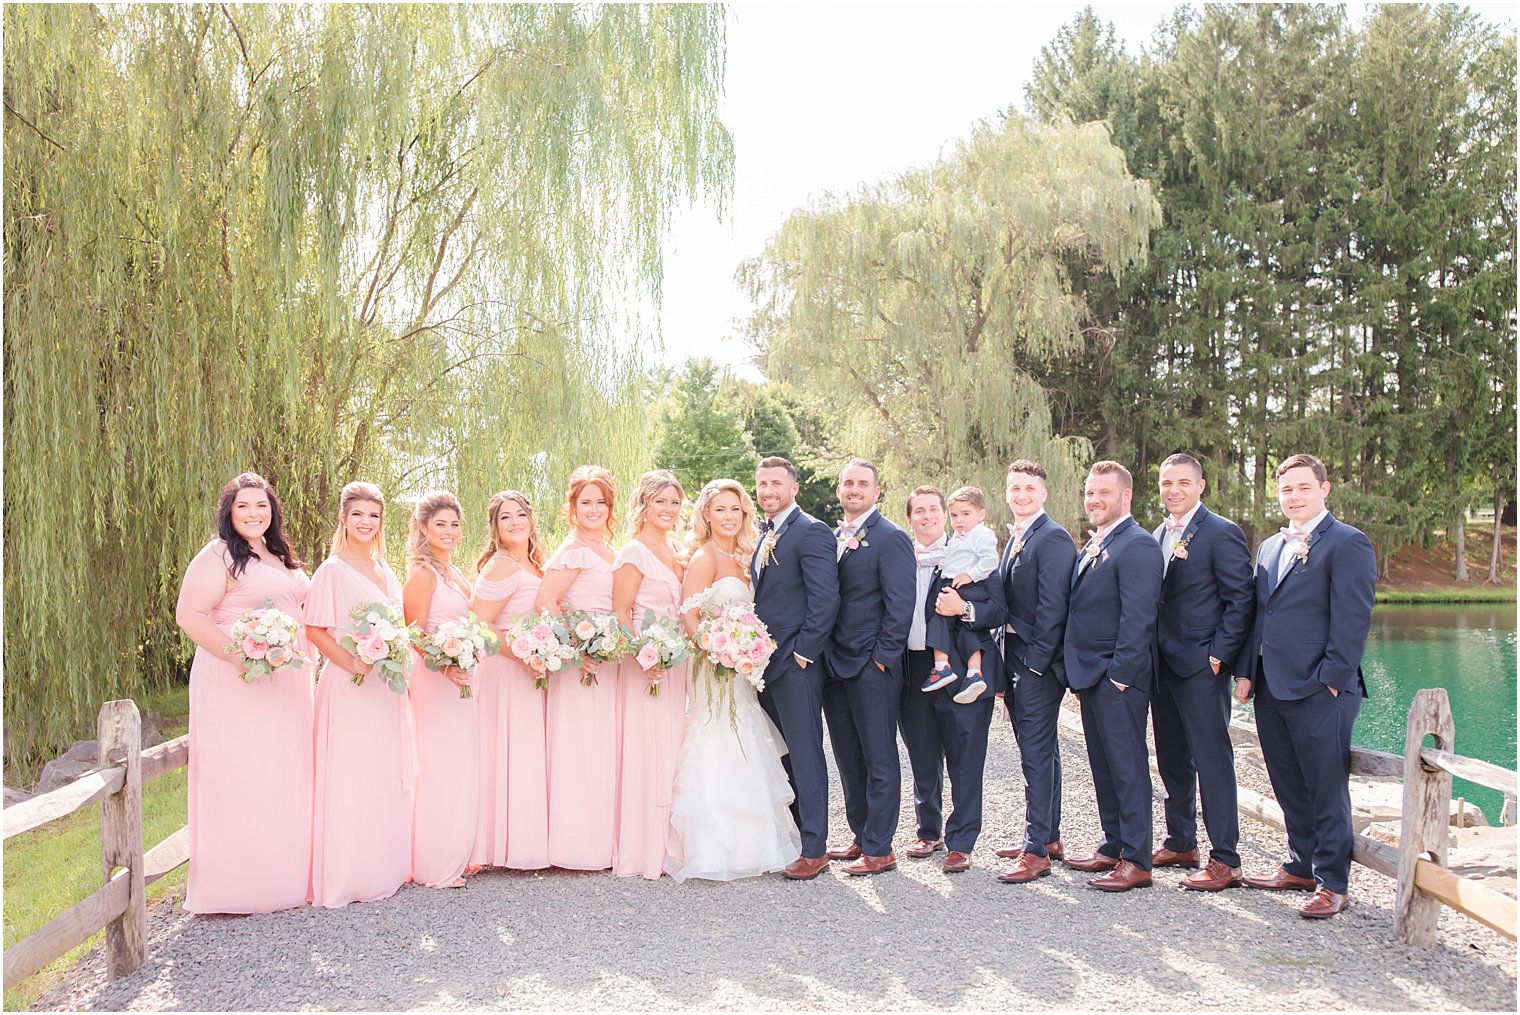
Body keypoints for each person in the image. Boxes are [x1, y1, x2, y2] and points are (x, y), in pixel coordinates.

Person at [1236, 453, 1376, 919]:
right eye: (1286, 490)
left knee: (1324, 785)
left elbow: (1353, 619)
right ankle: (1301, 863)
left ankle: (1333, 881)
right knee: (1287, 781)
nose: (1293, 497)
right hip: (1272, 686)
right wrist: (1247, 673)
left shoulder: (1347, 543)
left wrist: (1331, 682)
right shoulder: (1270, 547)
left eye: (1302, 488)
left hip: (1321, 690)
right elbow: (1261, 616)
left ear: (1324, 489)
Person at [175, 471, 312, 914]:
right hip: (236, 679)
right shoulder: (218, 555)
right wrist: (240, 655)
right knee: (241, 772)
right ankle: (235, 887)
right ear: (229, 512)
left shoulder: (277, 554)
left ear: (273, 511)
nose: (254, 513)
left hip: (286, 681)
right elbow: (190, 616)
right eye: (243, 506)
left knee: (282, 771)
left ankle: (283, 879)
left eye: (261, 505)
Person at [665, 479, 801, 880]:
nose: (728, 517)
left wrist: (744, 650)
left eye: (735, 510)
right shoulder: (704, 557)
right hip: (713, 665)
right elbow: (688, 614)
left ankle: (755, 843)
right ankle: (712, 847)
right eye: (720, 509)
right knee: (717, 734)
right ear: (706, 514)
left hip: (741, 668)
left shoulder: (746, 555)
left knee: (747, 735)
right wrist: (715, 649)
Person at [306, 482, 415, 908]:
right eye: (358, 515)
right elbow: (313, 628)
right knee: (350, 771)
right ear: (343, 519)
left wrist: (394, 651)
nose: (366, 523)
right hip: (349, 684)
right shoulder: (332, 570)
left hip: (383, 686)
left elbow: (400, 626)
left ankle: (382, 867)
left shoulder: (385, 568)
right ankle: (347, 875)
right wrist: (350, 661)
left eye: (373, 515)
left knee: (381, 769)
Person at [1149, 453, 1254, 891]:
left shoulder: (1220, 532)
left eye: (1182, 483)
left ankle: (1225, 858)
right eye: (1166, 483)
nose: (1174, 490)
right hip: (1162, 666)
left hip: (1200, 669)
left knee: (1211, 760)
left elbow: (1241, 599)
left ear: (1201, 486)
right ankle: (1181, 840)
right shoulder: (1157, 534)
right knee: (1171, 757)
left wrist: (1217, 656)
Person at [1062, 461, 1164, 892]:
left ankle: (1137, 860)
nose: (1094, 500)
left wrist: (1119, 676)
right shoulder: (1097, 544)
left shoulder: (1137, 545)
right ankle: (1114, 843)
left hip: (1117, 678)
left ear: (1126, 496)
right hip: (1091, 676)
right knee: (1103, 765)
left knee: (1127, 766)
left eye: (1103, 492)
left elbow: (1138, 616)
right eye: (1089, 492)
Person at [898, 485, 1008, 873]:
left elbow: (998, 609)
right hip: (912, 671)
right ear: (909, 518)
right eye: (919, 511)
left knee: (965, 758)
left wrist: (964, 607)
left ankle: (962, 840)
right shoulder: (900, 557)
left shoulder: (967, 552)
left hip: (963, 671)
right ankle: (928, 830)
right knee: (922, 755)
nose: (927, 516)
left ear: (945, 515)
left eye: (934, 509)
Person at [822, 459, 916, 876]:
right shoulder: (831, 537)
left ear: (878, 492)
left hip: (871, 666)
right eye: (848, 483)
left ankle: (880, 847)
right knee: (847, 756)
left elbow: (901, 605)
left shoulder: (891, 537)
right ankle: (861, 834)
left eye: (863, 484)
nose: (854, 489)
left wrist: (882, 658)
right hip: (833, 664)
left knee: (878, 757)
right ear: (839, 491)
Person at [751, 456, 840, 880]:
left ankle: (815, 847)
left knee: (805, 753)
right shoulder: (765, 533)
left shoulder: (812, 531)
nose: (768, 490)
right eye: (762, 483)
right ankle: (796, 837)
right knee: (783, 753)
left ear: (794, 488)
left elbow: (825, 599)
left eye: (775, 484)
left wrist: (804, 652)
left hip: (795, 663)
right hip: (764, 664)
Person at [990, 459, 1075, 884]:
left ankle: (1034, 849)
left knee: (1035, 755)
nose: (1021, 495)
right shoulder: (1019, 538)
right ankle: (1049, 836)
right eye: (1014, 488)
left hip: (1038, 665)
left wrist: (1035, 666)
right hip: (1017, 660)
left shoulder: (1053, 537)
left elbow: (1053, 609)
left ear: (1044, 493)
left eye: (1029, 488)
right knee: (1042, 751)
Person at [535, 465, 620, 871]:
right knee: (577, 746)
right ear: (572, 507)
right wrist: (576, 645)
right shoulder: (572, 551)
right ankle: (573, 846)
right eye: (585, 502)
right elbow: (546, 602)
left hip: (605, 659)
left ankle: (600, 839)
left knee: (600, 747)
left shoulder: (610, 550)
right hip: (579, 663)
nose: (593, 509)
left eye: (600, 502)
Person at [611, 470, 690, 879]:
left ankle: (672, 840)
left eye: (674, 502)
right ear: (643, 503)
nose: (668, 509)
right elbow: (622, 613)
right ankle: (644, 849)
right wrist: (645, 657)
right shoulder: (633, 552)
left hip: (675, 666)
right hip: (645, 668)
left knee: (674, 747)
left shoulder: (678, 550)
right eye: (661, 501)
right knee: (648, 750)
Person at [402, 490, 480, 889]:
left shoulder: (454, 572)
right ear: (422, 528)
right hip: (436, 679)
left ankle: (458, 851)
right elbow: (414, 633)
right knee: (439, 765)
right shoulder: (422, 574)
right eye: (440, 525)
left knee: (461, 762)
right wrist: (446, 667)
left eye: (453, 525)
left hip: (461, 677)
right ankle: (435, 866)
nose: (448, 531)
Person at [469, 490, 549, 871]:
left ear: (532, 520)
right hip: (505, 668)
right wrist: (522, 654)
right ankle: (496, 845)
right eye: (506, 517)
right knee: (504, 749)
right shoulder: (500, 566)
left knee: (527, 750)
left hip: (533, 668)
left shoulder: (536, 565)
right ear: (495, 528)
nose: (515, 522)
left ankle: (525, 839)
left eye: (521, 514)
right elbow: (479, 624)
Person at [919, 486, 1001, 704]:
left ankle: (941, 667)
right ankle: (974, 673)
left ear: (981, 514)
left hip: (968, 586)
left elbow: (990, 560)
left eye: (966, 514)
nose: (959, 520)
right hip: (960, 584)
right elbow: (945, 556)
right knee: (965, 628)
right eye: (954, 515)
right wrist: (923, 558)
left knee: (939, 616)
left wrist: (970, 575)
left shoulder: (981, 534)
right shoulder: (959, 537)